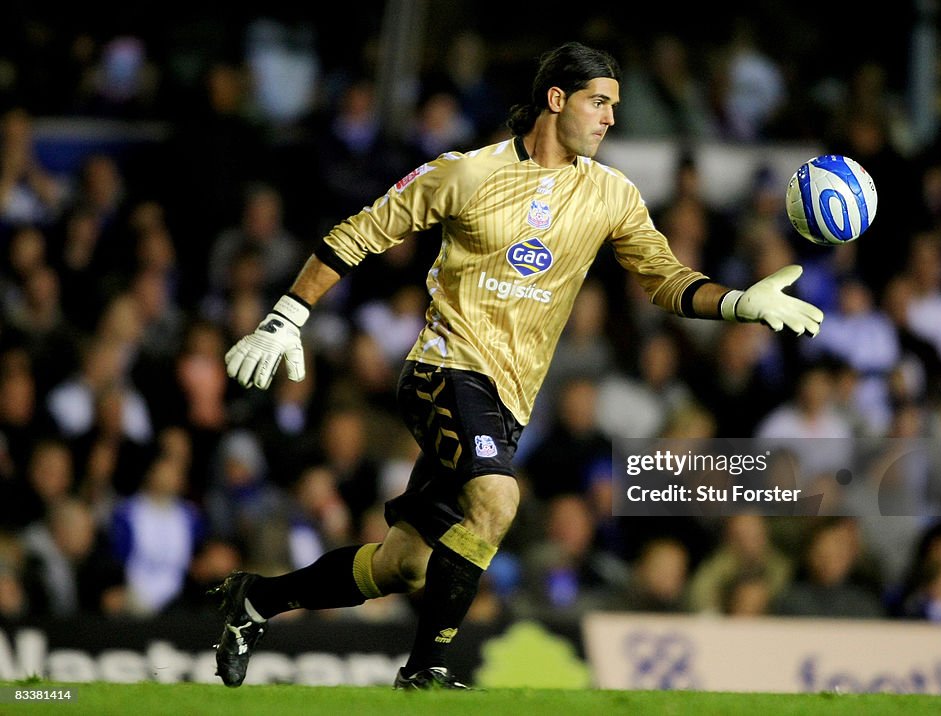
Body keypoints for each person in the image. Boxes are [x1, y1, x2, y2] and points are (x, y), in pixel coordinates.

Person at [208, 41, 824, 691]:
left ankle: (255, 602)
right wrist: (287, 316)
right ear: (556, 100)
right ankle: (424, 672)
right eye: (600, 102)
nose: (612, 118)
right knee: (500, 499)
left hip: (508, 404)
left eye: (615, 105)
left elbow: (664, 279)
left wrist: (736, 301)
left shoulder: (611, 194)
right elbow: (360, 232)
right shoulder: (468, 173)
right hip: (443, 370)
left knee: (404, 567)